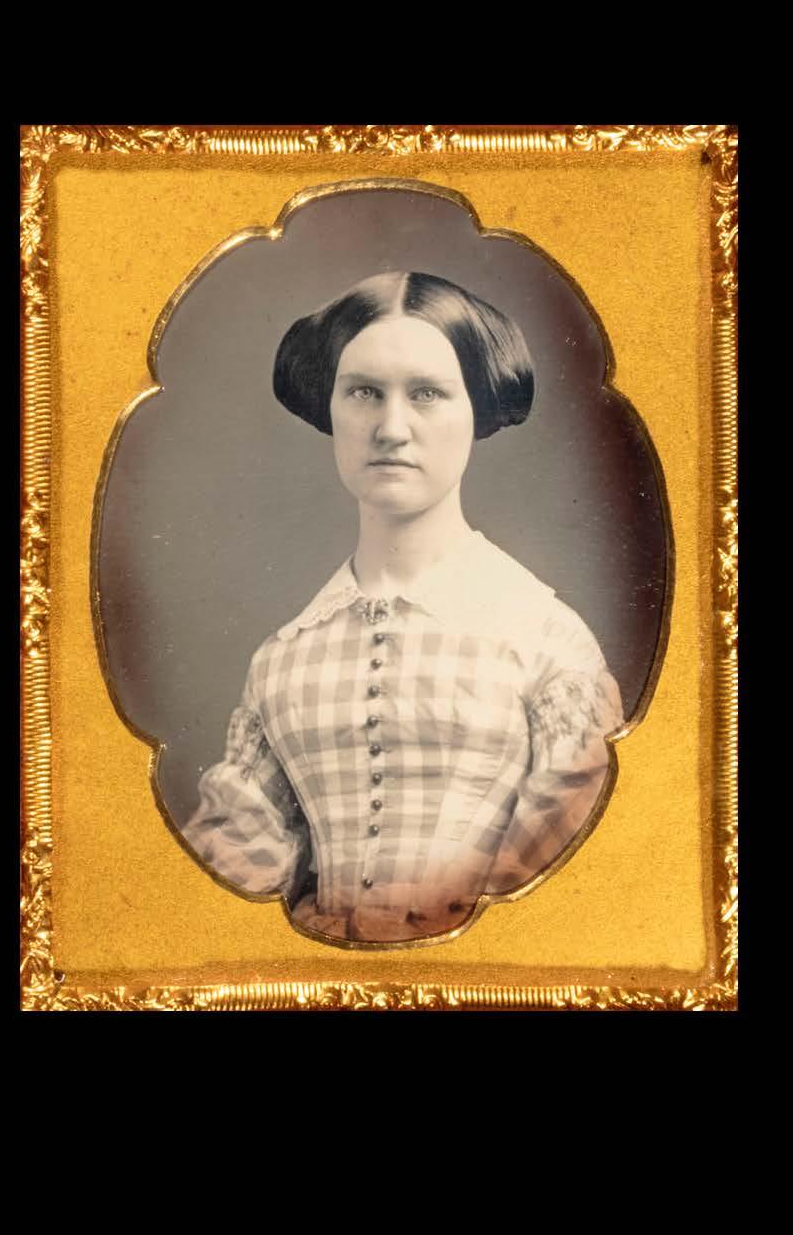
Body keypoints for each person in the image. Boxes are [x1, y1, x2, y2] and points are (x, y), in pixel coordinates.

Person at [181, 270, 624, 944]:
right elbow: (225, 889)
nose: (391, 428)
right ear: (331, 409)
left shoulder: (543, 641)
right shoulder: (283, 659)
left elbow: (567, 895)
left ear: (475, 409)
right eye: (364, 392)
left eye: (426, 394)